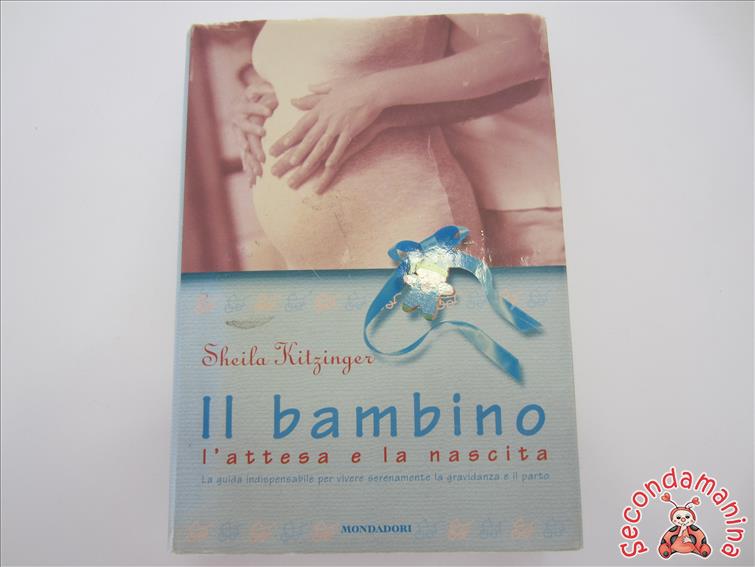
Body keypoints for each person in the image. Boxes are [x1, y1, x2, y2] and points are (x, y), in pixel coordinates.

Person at [233, 14, 554, 269]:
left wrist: (373, 94)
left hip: (405, 221)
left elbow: (525, 53)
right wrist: (252, 102)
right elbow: (317, 66)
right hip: (312, 254)